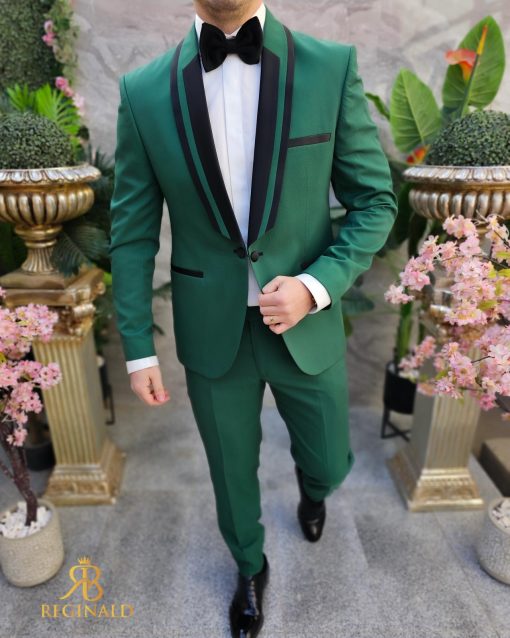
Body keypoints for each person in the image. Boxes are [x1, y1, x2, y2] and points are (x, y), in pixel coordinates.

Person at [108, 1, 397, 635]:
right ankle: (248, 566)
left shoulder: (329, 67)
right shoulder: (143, 91)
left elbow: (375, 202)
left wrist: (316, 287)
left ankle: (313, 485)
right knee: (230, 471)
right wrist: (138, 347)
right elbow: (130, 235)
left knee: (331, 460)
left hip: (304, 321)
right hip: (213, 331)